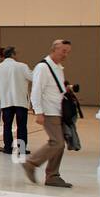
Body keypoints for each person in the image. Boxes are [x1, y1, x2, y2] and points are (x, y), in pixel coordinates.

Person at [23, 39, 73, 188]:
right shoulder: (43, 67)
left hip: (58, 111)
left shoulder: (58, 67)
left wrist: (66, 89)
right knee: (57, 142)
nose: (65, 54)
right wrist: (38, 112)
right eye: (63, 51)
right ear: (54, 49)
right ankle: (31, 163)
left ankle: (52, 176)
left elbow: (53, 88)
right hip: (49, 111)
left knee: (59, 144)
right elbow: (36, 90)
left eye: (68, 52)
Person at [0, 47, 31, 156]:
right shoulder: (22, 66)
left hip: (6, 102)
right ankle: (22, 149)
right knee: (22, 126)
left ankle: (7, 148)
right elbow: (33, 77)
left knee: (7, 125)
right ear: (13, 54)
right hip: (21, 102)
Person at [61, 82, 84, 151]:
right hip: (70, 115)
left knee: (70, 130)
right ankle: (73, 145)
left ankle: (75, 145)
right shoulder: (68, 94)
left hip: (70, 115)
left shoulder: (68, 95)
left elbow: (74, 105)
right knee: (71, 129)